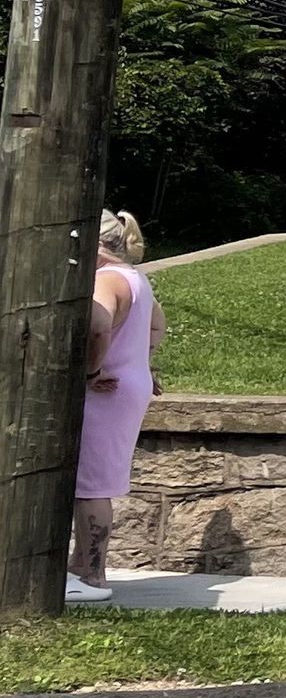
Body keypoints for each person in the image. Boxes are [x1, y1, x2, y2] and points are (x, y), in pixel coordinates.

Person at [66, 209, 160, 605]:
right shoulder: (137, 279)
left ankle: (92, 574)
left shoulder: (104, 280)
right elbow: (157, 326)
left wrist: (91, 371)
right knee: (96, 480)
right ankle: (80, 568)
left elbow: (97, 326)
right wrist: (142, 361)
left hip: (105, 390)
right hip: (129, 384)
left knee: (90, 484)